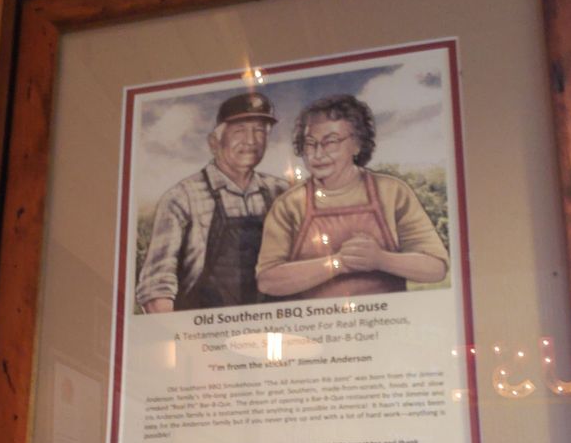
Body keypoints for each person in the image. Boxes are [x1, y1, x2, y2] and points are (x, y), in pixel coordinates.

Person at [256, 94, 449, 300]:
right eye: (310, 143)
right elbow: (267, 281)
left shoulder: (392, 192)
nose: (317, 154)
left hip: (388, 318)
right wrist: (338, 263)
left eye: (331, 142)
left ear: (357, 144)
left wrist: (381, 260)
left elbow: (436, 268)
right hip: (313, 320)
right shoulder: (288, 205)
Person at [137, 92, 287, 312]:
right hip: (203, 328)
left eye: (259, 131)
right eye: (239, 131)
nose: (251, 141)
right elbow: (156, 288)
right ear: (214, 142)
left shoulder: (281, 192)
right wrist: (177, 332)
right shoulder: (182, 197)